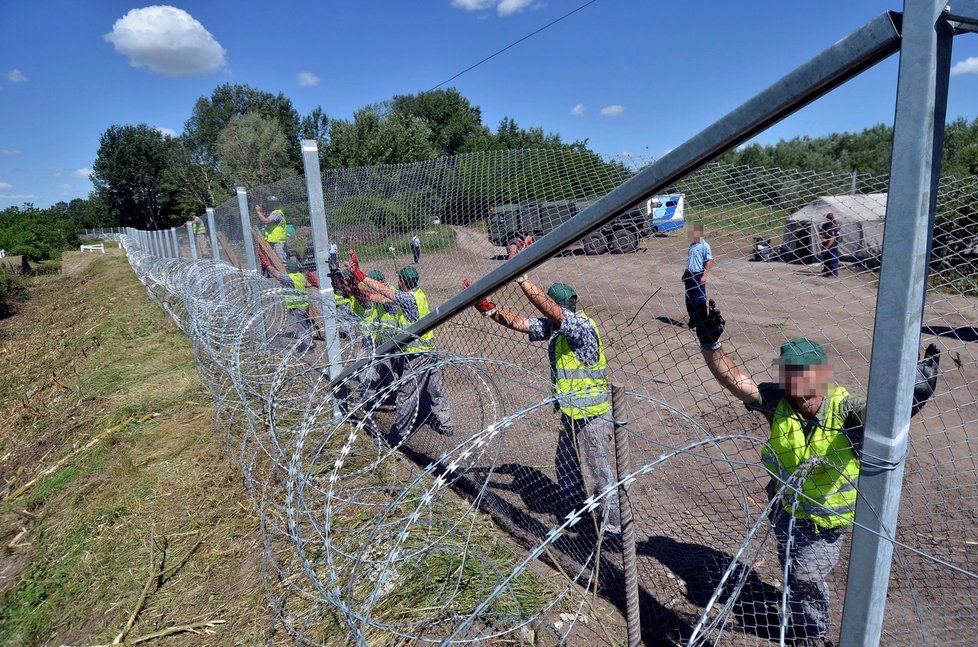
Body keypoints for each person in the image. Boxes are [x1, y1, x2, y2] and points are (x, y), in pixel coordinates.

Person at [693, 300, 941, 645]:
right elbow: (735, 380)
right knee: (792, 569)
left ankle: (812, 635)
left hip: (826, 521)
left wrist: (906, 398)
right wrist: (711, 344)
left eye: (810, 387)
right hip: (786, 511)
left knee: (805, 573)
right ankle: (800, 611)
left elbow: (875, 412)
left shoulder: (845, 408)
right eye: (796, 388)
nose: (804, 397)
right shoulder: (779, 401)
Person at [464, 275, 620, 536]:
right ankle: (577, 513)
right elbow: (520, 323)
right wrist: (488, 309)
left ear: (557, 308)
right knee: (565, 465)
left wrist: (521, 278)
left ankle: (613, 527)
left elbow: (548, 312)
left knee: (599, 472)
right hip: (572, 413)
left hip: (592, 415)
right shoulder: (555, 327)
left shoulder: (580, 327)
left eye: (549, 308)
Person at [349, 251, 454, 442]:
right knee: (436, 390)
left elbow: (387, 293)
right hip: (428, 351)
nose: (396, 283)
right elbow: (382, 298)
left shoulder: (408, 299)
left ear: (402, 282)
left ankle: (397, 436)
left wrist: (359, 274)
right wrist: (359, 283)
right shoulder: (417, 294)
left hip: (417, 355)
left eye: (399, 281)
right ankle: (446, 425)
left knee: (406, 396)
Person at [271, 258, 314, 354]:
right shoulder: (300, 276)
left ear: (288, 268)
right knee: (304, 325)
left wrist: (267, 264)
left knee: (300, 328)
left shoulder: (289, 278)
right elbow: (307, 285)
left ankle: (308, 347)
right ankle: (306, 343)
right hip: (304, 305)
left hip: (296, 307)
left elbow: (274, 273)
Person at [683, 223, 713, 329]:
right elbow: (690, 261)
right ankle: (693, 322)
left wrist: (705, 275)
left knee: (699, 299)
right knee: (689, 299)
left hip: (698, 275)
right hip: (689, 275)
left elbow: (709, 261)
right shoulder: (692, 245)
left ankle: (702, 323)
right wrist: (685, 274)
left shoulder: (705, 245)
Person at [256, 196, 288, 264]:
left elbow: (266, 221)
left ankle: (284, 274)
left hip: (278, 243)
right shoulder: (274, 213)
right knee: (273, 262)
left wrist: (258, 212)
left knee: (281, 262)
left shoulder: (276, 213)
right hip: (273, 242)